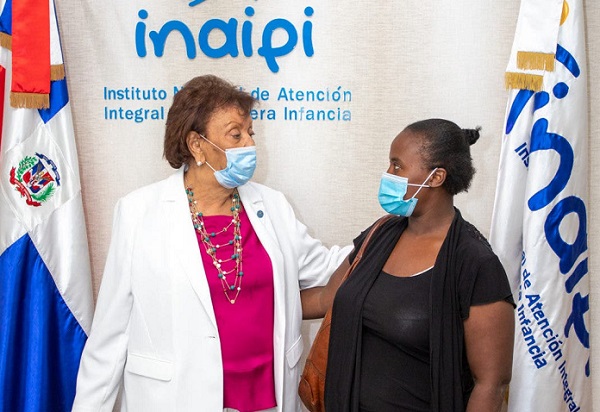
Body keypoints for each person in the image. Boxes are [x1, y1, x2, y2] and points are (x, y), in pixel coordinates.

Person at [72, 75, 351, 412]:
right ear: (197, 145)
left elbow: (327, 268)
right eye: (236, 134)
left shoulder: (273, 206)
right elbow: (110, 336)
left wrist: (383, 237)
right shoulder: (138, 213)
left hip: (268, 397)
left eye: (250, 133)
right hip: (176, 400)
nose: (249, 144)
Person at [307, 119, 515, 412]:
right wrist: (251, 301)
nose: (387, 174)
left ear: (436, 177)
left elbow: (490, 384)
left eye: (397, 166)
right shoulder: (379, 235)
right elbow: (324, 299)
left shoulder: (476, 264)